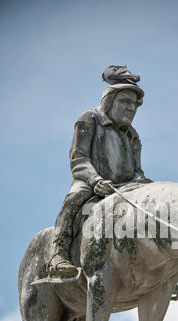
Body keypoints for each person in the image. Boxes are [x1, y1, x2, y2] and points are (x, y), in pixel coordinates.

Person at [48, 82, 150, 279]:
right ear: (109, 102)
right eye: (125, 101)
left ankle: (156, 269)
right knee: (74, 198)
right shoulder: (89, 119)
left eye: (135, 104)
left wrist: (141, 182)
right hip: (90, 182)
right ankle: (58, 253)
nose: (131, 108)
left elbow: (137, 170)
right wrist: (95, 180)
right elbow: (79, 158)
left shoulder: (133, 135)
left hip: (125, 188)